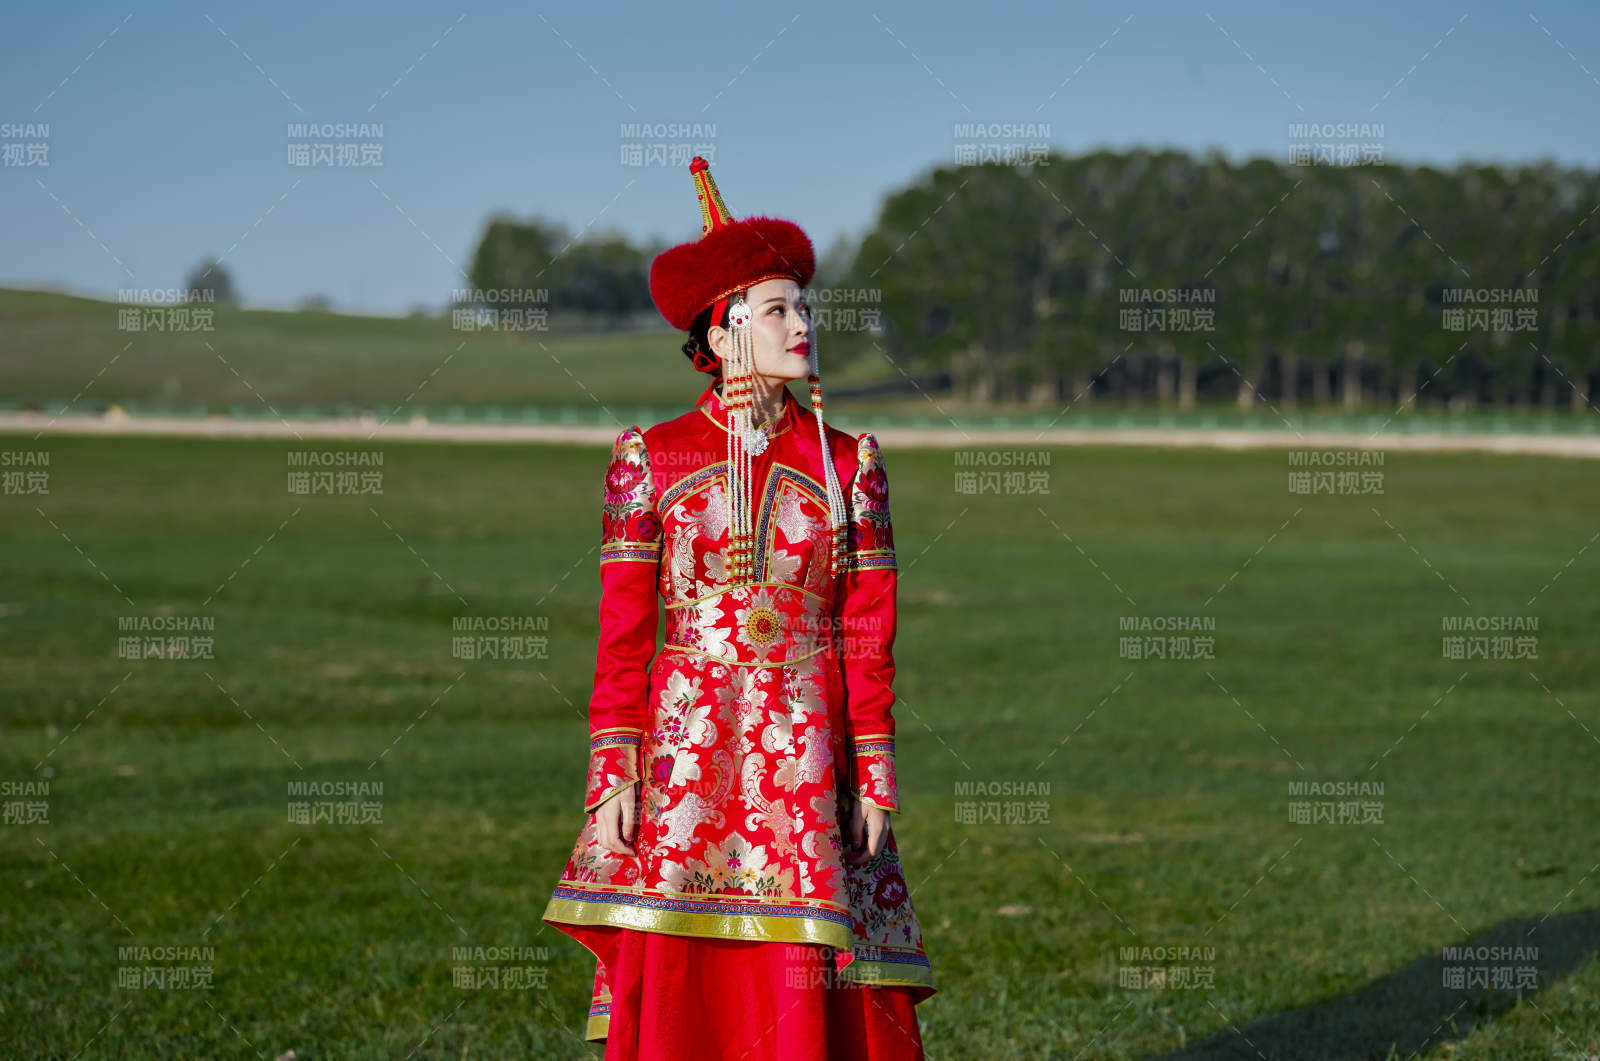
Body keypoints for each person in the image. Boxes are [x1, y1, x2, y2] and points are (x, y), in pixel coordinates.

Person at [541, 156, 934, 1060]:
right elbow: (623, 633)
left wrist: (872, 763)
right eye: (776, 310)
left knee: (805, 953)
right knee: (684, 954)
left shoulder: (849, 464)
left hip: (807, 746)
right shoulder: (652, 458)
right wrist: (615, 769)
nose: (801, 326)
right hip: (688, 748)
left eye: (803, 307)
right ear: (722, 333)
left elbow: (867, 629)